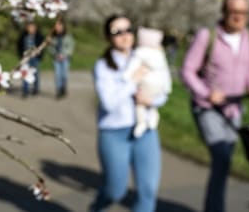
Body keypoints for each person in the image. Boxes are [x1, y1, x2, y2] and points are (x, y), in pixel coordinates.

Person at [181, 0, 249, 212]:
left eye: (243, 13)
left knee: (225, 160)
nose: (238, 17)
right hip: (207, 109)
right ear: (224, 13)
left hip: (234, 108)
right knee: (221, 157)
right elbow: (187, 71)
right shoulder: (206, 36)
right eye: (234, 12)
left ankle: (214, 205)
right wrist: (206, 92)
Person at [90, 15, 163, 212]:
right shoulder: (102, 66)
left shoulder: (146, 57)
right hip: (114, 133)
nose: (125, 35)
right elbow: (109, 102)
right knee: (116, 191)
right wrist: (131, 81)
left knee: (148, 192)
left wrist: (152, 100)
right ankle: (97, 207)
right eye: (117, 32)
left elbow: (162, 90)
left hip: (146, 131)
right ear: (108, 37)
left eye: (128, 29)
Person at [124, 27, 172, 138]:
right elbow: (165, 71)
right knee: (151, 104)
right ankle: (153, 117)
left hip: (145, 83)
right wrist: (167, 87)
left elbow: (133, 66)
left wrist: (127, 77)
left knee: (140, 104)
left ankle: (141, 122)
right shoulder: (160, 55)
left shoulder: (140, 52)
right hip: (158, 85)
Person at [48, 19, 75, 99]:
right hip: (56, 58)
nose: (58, 27)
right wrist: (55, 54)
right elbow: (50, 48)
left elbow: (71, 46)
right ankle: (58, 91)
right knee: (57, 75)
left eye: (59, 25)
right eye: (56, 26)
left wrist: (64, 55)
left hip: (65, 58)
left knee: (64, 75)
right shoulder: (52, 37)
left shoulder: (67, 36)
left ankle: (64, 88)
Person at [17, 21, 44, 98]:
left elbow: (41, 47)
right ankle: (25, 91)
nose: (31, 29)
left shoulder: (39, 37)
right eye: (29, 27)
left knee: (35, 73)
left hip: (35, 58)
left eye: (33, 27)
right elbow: (19, 46)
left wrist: (39, 55)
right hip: (25, 58)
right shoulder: (23, 36)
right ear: (26, 28)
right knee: (25, 73)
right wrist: (21, 55)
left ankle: (35, 89)